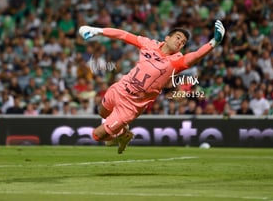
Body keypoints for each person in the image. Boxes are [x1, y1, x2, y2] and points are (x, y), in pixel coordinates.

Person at [78, 19, 225, 153]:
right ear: (167, 38)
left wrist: (214, 42)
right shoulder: (149, 44)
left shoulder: (176, 61)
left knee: (97, 136)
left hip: (131, 105)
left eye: (183, 42)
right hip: (120, 88)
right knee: (102, 112)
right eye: (178, 37)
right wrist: (98, 30)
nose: (180, 42)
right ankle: (123, 133)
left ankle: (122, 135)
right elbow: (123, 35)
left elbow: (197, 55)